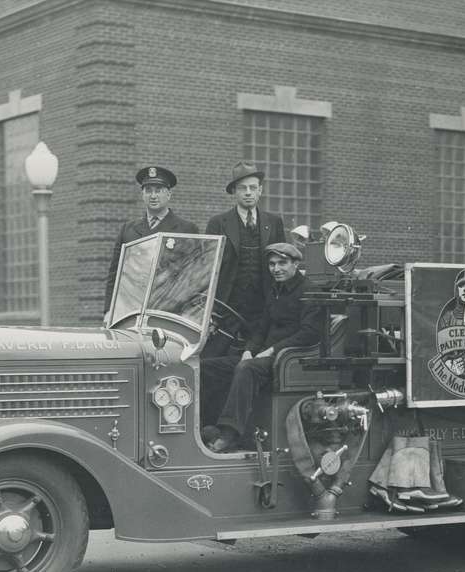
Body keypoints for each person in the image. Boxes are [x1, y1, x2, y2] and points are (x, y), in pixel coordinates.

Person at [201, 242, 320, 452]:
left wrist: (272, 350)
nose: (276, 269)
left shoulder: (309, 291)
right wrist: (248, 350)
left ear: (295, 264)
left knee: (246, 369)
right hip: (263, 355)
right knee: (207, 367)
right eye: (272, 264)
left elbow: (309, 333)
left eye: (282, 263)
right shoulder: (276, 290)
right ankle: (207, 425)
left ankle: (230, 434)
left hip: (288, 359)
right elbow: (260, 329)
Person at [204, 161, 286, 346]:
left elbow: (283, 264)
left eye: (252, 187)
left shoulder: (274, 223)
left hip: (263, 310)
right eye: (242, 188)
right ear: (234, 191)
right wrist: (211, 313)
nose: (248, 192)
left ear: (260, 190)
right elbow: (207, 269)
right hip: (226, 310)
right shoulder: (218, 223)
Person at [104, 165, 199, 315]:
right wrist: (109, 311)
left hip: (169, 310)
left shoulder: (186, 229)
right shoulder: (128, 230)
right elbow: (114, 275)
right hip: (131, 310)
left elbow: (193, 277)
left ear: (168, 194)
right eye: (148, 191)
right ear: (142, 195)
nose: (153, 196)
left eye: (158, 190)